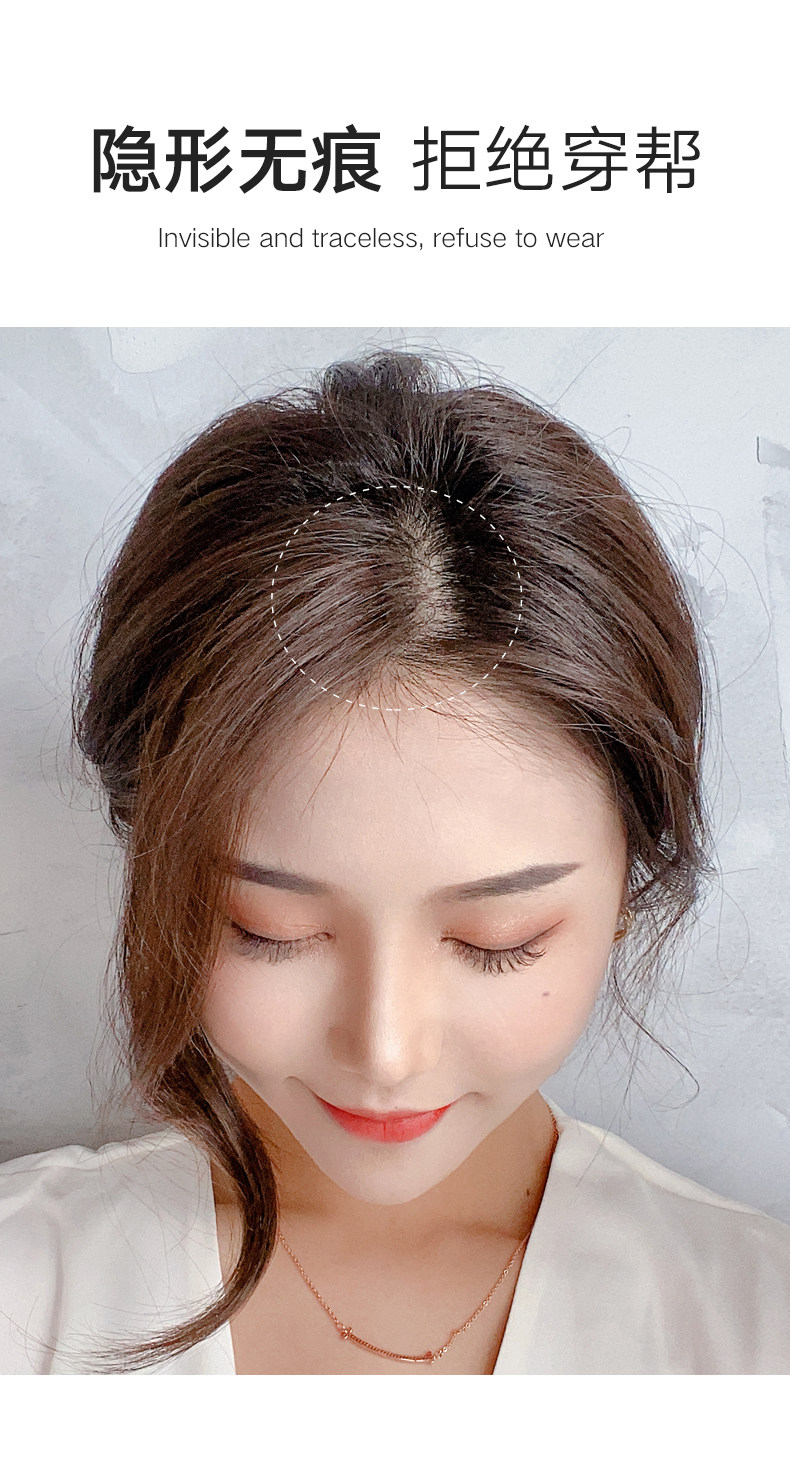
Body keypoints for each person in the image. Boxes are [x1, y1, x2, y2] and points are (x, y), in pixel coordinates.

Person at [1, 349, 789, 1375]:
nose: (383, 1051)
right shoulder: (29, 1291)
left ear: (627, 888)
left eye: (496, 940)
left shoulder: (754, 1334)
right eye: (271, 930)